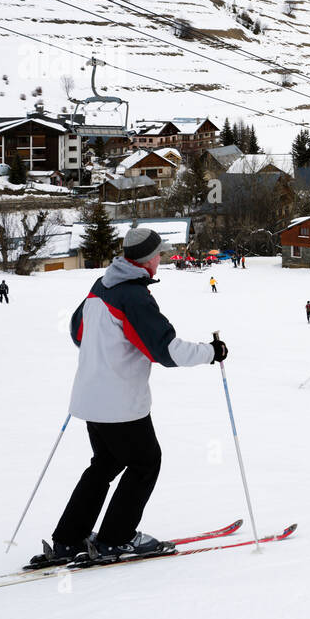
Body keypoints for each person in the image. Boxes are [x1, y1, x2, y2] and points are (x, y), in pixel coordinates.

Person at [47, 228, 226, 562]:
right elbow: (166, 350)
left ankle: (69, 538)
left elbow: (77, 331)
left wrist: (107, 354)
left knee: (105, 463)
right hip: (120, 406)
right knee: (145, 463)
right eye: (160, 254)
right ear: (147, 260)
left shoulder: (101, 286)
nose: (163, 259)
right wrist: (211, 352)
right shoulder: (134, 296)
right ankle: (116, 538)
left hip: (90, 400)